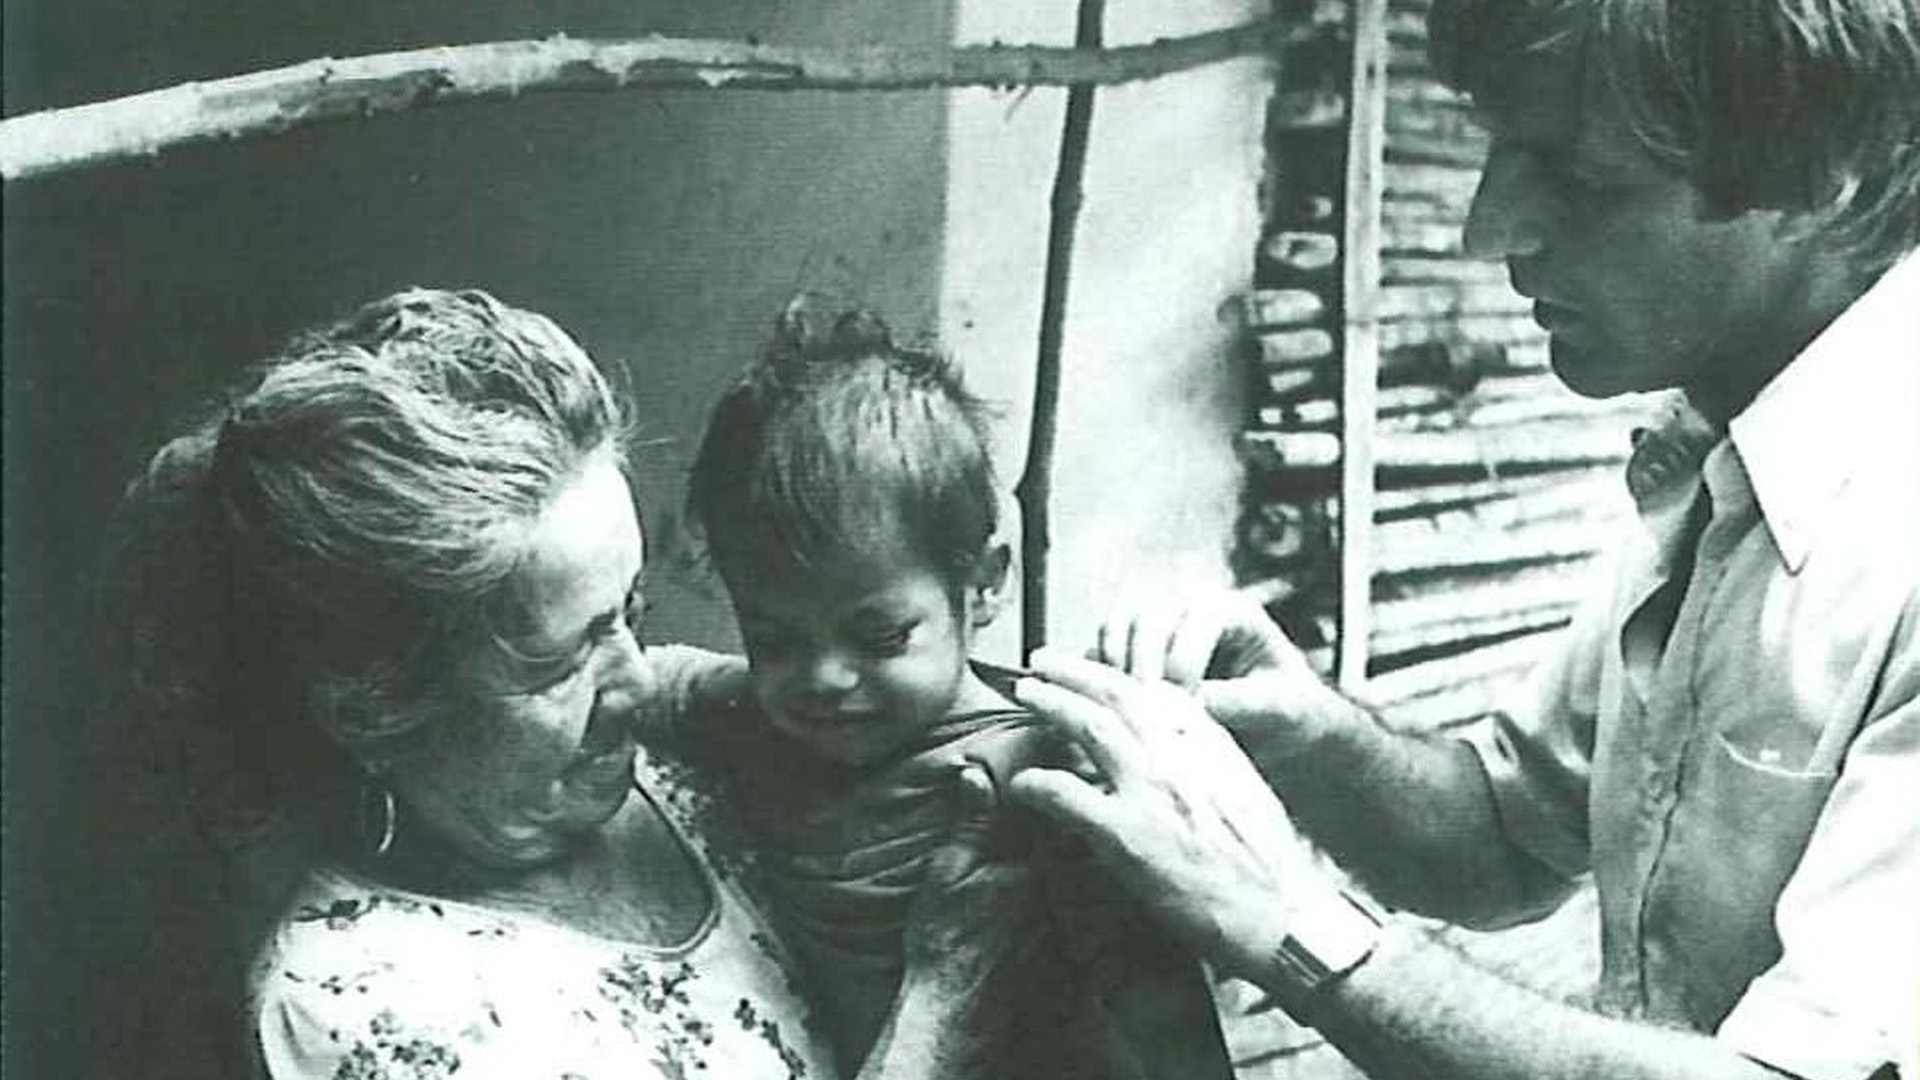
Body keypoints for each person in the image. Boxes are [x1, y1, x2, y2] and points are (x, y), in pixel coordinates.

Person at [1001, 1, 1920, 1078]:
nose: (1488, 230)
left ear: (1823, 181)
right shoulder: (1726, 458)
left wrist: (1294, 926)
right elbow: (1501, 834)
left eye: (1577, 180)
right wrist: (1310, 737)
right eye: (1501, 151)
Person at [106, 287, 1023, 1079]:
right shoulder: (367, 1003)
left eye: (633, 610)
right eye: (562, 660)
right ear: (381, 707)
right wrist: (941, 1007)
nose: (635, 681)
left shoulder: (685, 769)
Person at [655, 299, 1231, 1078]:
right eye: (774, 639)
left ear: (984, 586)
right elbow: (655, 678)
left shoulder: (1034, 772)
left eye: (881, 637)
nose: (823, 679)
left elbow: (1158, 997)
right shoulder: (753, 717)